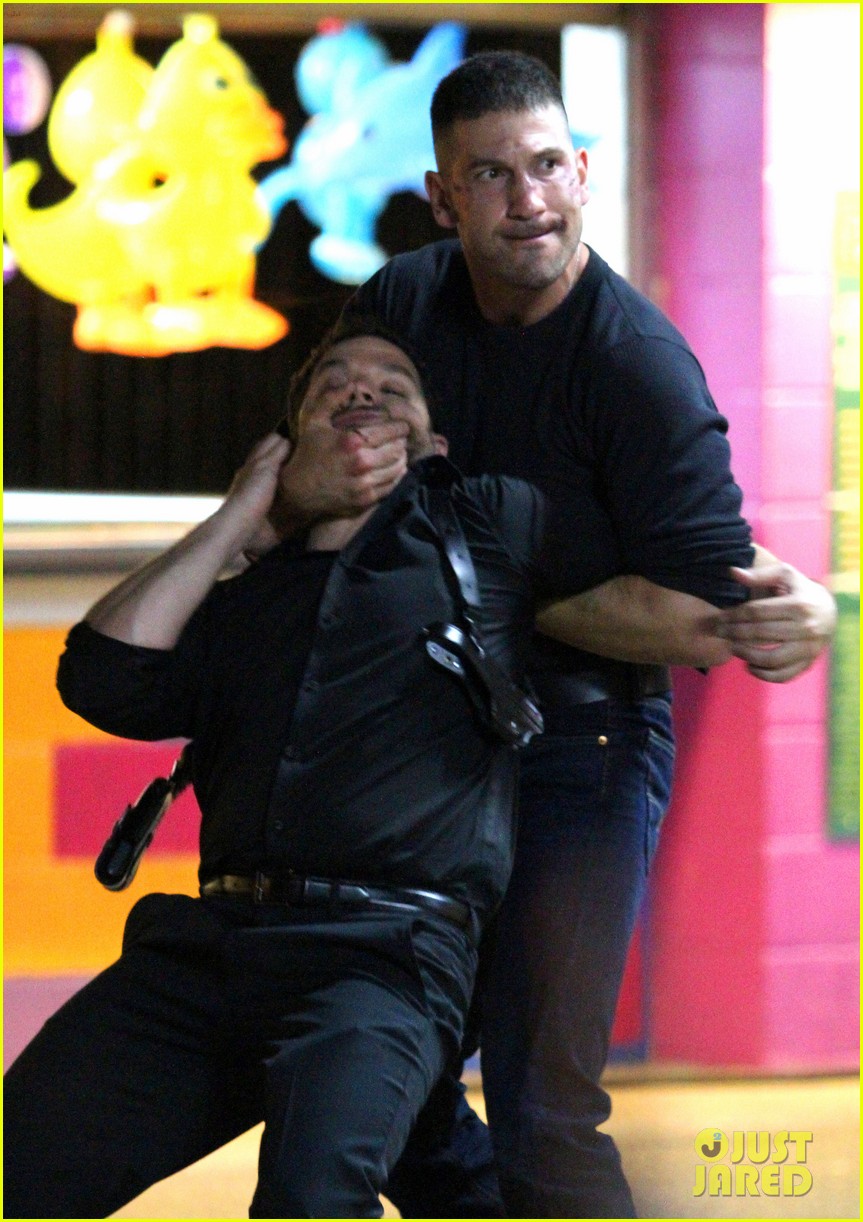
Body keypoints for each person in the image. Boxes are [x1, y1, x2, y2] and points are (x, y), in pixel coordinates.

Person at [267, 52, 838, 1218]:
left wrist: (476, 590)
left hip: (581, 747)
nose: (524, 199)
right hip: (422, 743)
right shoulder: (399, 305)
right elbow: (316, 476)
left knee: (541, 1107)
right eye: (490, 174)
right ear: (441, 197)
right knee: (382, 1076)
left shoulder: (636, 367)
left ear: (580, 172)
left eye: (542, 166)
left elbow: (704, 614)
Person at [4, 318, 583, 1220]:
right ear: (285, 443)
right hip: (211, 951)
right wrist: (246, 512)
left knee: (311, 1199)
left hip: (382, 958)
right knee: (19, 1162)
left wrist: (767, 600)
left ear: (432, 445)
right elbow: (102, 677)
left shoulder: (487, 536)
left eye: (393, 385)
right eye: (332, 383)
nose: (362, 389)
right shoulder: (240, 601)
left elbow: (661, 554)